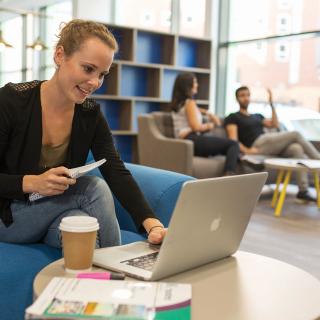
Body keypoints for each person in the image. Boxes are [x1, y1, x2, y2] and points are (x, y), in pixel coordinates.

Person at [0, 19, 166, 248]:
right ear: (60, 56)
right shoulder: (11, 101)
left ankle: (96, 279)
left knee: (83, 230)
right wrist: (32, 183)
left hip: (49, 211)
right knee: (92, 188)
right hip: (8, 214)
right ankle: (120, 269)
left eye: (102, 74)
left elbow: (115, 170)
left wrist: (153, 224)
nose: (95, 82)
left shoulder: (90, 114)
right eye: (88, 68)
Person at [224, 86, 320, 202]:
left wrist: (271, 104)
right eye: (242, 95)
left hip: (269, 145)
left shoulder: (257, 116)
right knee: (295, 134)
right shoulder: (233, 117)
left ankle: (303, 191)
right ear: (237, 99)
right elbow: (233, 139)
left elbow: (275, 124)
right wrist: (247, 150)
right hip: (258, 143)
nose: (246, 98)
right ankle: (318, 159)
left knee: (296, 149)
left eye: (248, 95)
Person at [171, 72, 240, 175]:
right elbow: (196, 127)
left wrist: (207, 113)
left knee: (230, 150)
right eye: (195, 82)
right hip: (191, 140)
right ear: (188, 85)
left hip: (185, 142)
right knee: (233, 144)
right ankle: (228, 177)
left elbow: (194, 111)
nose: (197, 85)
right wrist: (210, 126)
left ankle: (242, 161)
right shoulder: (190, 102)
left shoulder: (179, 103)